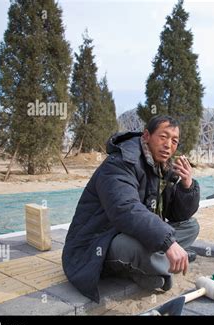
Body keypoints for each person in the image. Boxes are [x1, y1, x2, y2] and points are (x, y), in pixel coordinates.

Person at [62, 115, 200, 302]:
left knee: (191, 226)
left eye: (174, 141)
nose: (168, 145)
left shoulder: (161, 167)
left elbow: (177, 214)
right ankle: (161, 263)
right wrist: (168, 242)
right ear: (146, 136)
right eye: (163, 137)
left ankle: (158, 262)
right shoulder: (120, 162)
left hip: (135, 232)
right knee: (136, 247)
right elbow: (125, 209)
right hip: (99, 241)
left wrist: (187, 185)